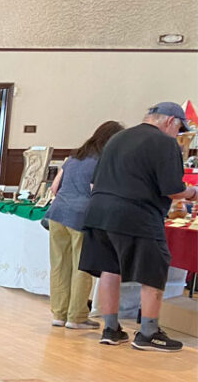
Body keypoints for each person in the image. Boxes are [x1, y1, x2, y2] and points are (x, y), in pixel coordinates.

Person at [80, 102, 196, 352]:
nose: (178, 135)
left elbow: (93, 182)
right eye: (179, 129)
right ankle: (148, 333)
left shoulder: (117, 138)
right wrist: (193, 193)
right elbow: (172, 189)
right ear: (170, 122)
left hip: (98, 213)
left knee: (110, 269)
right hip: (136, 215)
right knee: (153, 270)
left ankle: (111, 329)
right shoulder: (165, 144)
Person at [44, 121, 124, 330]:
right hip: (82, 218)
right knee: (82, 267)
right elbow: (96, 190)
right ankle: (76, 317)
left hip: (57, 214)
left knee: (59, 265)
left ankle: (58, 314)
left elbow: (54, 188)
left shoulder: (73, 157)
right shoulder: (103, 160)